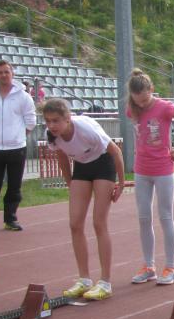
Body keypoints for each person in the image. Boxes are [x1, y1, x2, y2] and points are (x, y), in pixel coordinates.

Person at [42, 98, 126, 300]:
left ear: (68, 119)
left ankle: (105, 282)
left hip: (103, 163)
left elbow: (116, 151)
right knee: (75, 223)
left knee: (99, 222)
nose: (52, 126)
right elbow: (62, 156)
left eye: (56, 121)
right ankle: (84, 279)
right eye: (48, 121)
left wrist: (121, 184)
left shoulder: (86, 129)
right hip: (81, 166)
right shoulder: (52, 136)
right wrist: (70, 182)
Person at [127, 69, 174, 286]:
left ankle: (171, 267)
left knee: (165, 216)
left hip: (163, 169)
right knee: (143, 217)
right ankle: (149, 266)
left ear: (152, 91)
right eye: (137, 101)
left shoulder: (164, 107)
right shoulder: (132, 109)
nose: (142, 105)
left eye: (145, 100)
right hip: (141, 168)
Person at [0, 59, 36, 231]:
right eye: (0, 72)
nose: (4, 75)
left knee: (14, 186)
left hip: (16, 148)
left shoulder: (23, 97)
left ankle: (10, 218)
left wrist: (18, 136)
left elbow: (30, 121)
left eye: (7, 72)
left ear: (12, 74)